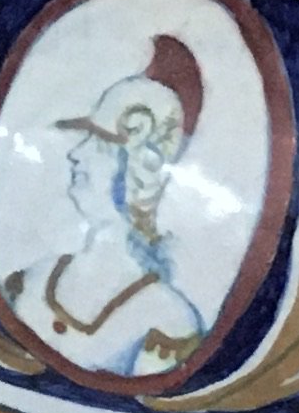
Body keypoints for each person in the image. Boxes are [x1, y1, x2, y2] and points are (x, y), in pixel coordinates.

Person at [14, 33, 214, 377]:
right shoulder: (34, 278)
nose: (76, 154)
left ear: (135, 170)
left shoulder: (167, 318)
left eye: (98, 142)